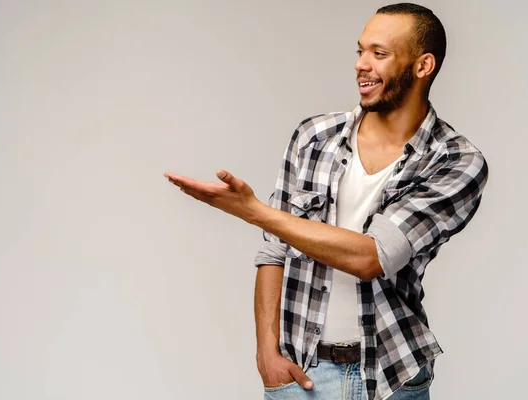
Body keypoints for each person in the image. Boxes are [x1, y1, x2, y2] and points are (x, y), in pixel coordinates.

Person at [164, 3, 488, 399]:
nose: (361, 65)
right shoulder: (314, 136)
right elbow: (275, 252)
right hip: (303, 376)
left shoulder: (455, 160)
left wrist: (256, 213)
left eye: (379, 54)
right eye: (360, 50)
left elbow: (373, 257)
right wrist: (267, 353)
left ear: (423, 66)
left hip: (392, 376)